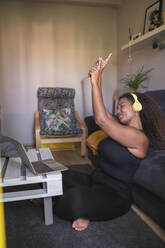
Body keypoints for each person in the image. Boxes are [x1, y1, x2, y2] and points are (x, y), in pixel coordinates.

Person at [54, 53, 165, 231]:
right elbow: (104, 114)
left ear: (137, 107)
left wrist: (95, 81)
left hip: (115, 195)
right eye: (117, 107)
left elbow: (101, 120)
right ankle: (85, 206)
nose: (118, 111)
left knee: (73, 200)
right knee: (58, 176)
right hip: (95, 181)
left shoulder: (140, 138)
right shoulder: (121, 129)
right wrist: (97, 77)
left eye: (122, 106)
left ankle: (86, 209)